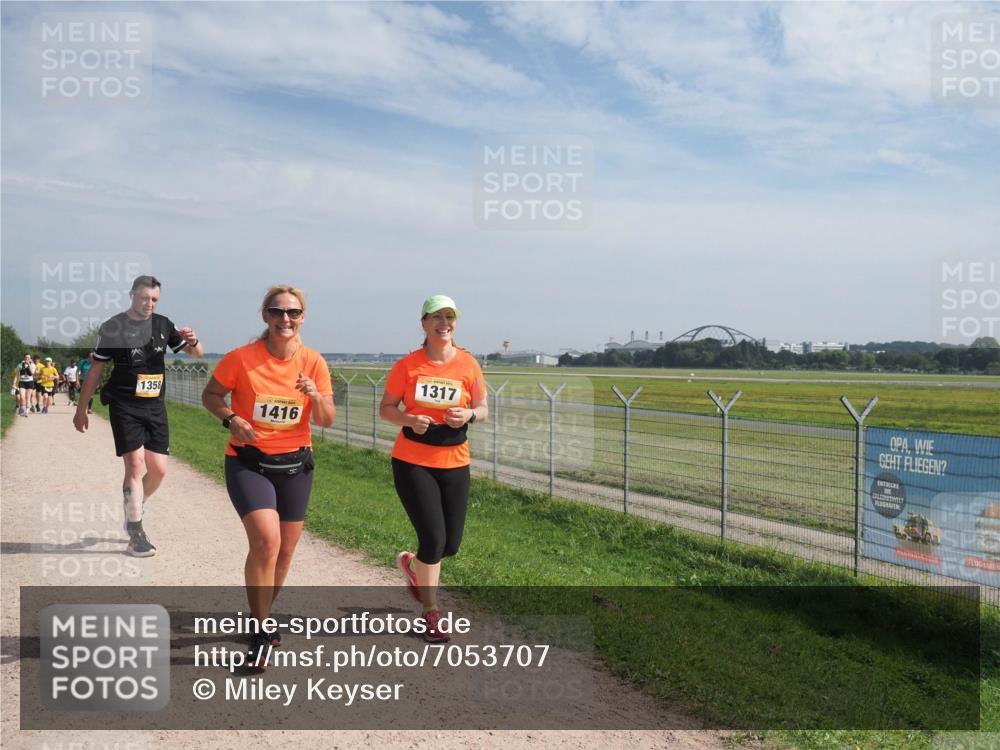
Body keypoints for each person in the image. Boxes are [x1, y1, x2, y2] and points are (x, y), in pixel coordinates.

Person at [201, 284, 334, 669]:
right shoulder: (241, 359)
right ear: (265, 316)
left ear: (303, 318)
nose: (285, 319)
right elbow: (212, 395)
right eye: (277, 312)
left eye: (293, 313)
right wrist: (232, 418)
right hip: (249, 462)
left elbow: (325, 421)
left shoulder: (314, 363)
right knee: (266, 541)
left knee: (285, 552)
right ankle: (260, 631)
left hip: (295, 467)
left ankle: (261, 614)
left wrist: (317, 396)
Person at [379, 295, 487, 643]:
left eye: (449, 317)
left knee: (450, 546)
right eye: (436, 317)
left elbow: (483, 407)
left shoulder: (469, 364)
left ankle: (413, 566)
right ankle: (430, 613)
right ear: (423, 323)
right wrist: (409, 418)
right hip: (413, 462)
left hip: (455, 462)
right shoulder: (408, 366)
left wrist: (469, 414)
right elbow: (386, 409)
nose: (444, 323)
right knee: (434, 540)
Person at [73, 275, 203, 557]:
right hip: (124, 404)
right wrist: (82, 408)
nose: (149, 304)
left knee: (159, 469)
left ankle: (135, 504)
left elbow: (196, 354)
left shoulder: (163, 324)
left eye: (154, 299)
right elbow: (95, 369)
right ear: (131, 295)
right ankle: (136, 533)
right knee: (135, 465)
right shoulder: (112, 327)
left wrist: (194, 341)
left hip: (155, 405)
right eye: (145, 298)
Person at [13, 353, 36, 417]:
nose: (27, 359)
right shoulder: (20, 365)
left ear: (30, 359)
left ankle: (26, 411)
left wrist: (29, 365)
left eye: (28, 358)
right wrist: (14, 383)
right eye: (26, 357)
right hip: (22, 382)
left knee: (27, 397)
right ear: (24, 358)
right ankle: (22, 411)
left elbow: (32, 373)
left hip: (29, 382)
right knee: (22, 397)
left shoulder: (33, 365)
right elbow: (17, 375)